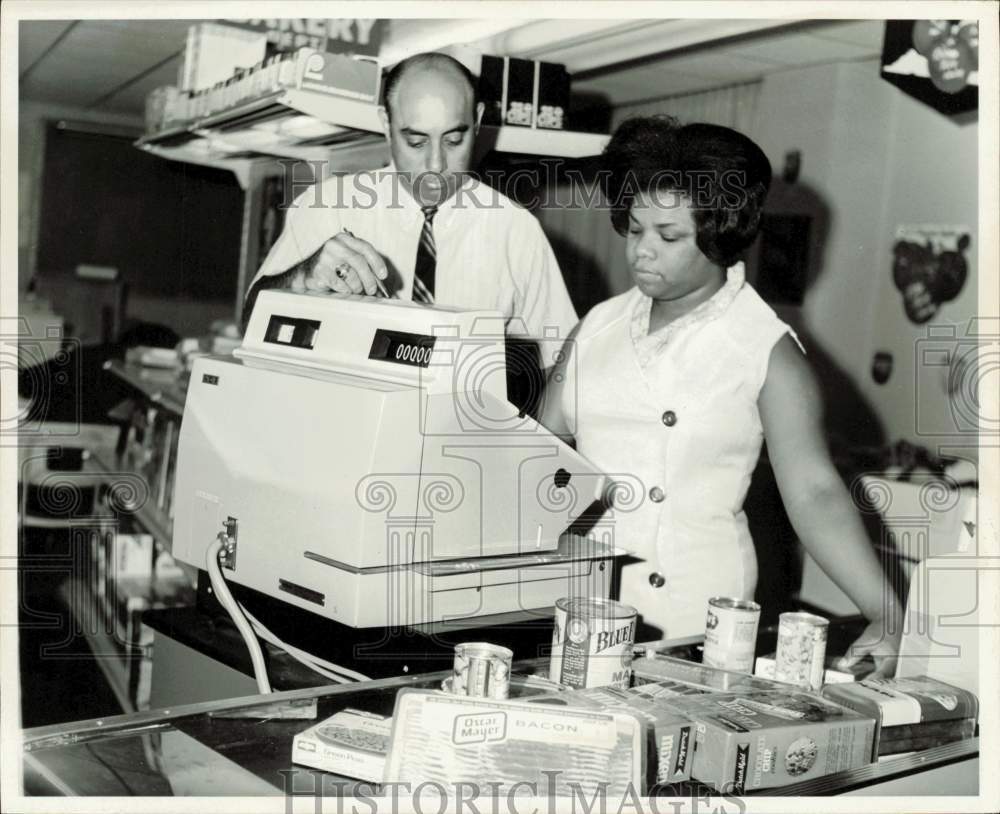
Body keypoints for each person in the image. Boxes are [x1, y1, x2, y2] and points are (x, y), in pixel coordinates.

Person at [541, 116, 902, 675]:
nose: (641, 251)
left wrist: (884, 611)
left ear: (718, 236)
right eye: (635, 229)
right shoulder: (596, 327)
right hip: (578, 598)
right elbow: (540, 454)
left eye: (668, 236)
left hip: (691, 613)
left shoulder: (765, 349)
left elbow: (814, 492)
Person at [243, 52, 577, 343]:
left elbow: (557, 359)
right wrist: (302, 277)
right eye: (416, 142)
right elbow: (249, 323)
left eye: (454, 140)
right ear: (386, 124)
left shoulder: (516, 231)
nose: (436, 164)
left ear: (476, 121)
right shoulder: (328, 206)